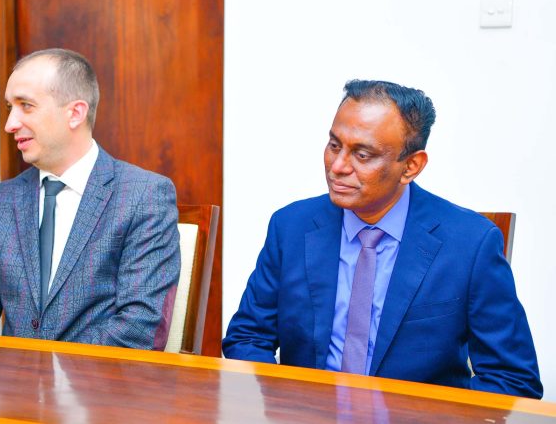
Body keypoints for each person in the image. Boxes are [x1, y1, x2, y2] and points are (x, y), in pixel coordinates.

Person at [222, 80, 542, 398]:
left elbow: (512, 379)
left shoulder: (469, 244)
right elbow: (248, 337)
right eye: (334, 145)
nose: (338, 166)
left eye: (362, 155)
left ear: (411, 166)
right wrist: (288, 403)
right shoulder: (291, 226)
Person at [0, 48, 180, 350]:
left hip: (98, 379)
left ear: (75, 113)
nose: (10, 124)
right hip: (9, 379)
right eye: (10, 108)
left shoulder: (144, 196)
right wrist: (2, 372)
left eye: (26, 106)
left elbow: (139, 328)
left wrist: (49, 371)